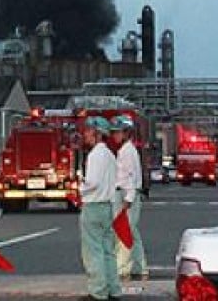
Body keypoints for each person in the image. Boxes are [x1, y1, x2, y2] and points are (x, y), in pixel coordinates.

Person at [79, 116, 120, 301]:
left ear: (97, 133)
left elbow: (93, 182)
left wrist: (78, 188)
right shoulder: (111, 155)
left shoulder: (95, 154)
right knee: (108, 251)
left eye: (88, 131)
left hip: (93, 205)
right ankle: (113, 289)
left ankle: (98, 292)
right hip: (108, 206)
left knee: (93, 251)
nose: (85, 134)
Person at [110, 115, 146, 281]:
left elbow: (130, 176)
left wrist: (128, 198)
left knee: (123, 232)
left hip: (126, 193)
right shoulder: (126, 150)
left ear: (126, 133)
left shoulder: (127, 151)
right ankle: (139, 266)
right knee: (132, 232)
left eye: (117, 132)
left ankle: (122, 268)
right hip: (127, 193)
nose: (114, 135)